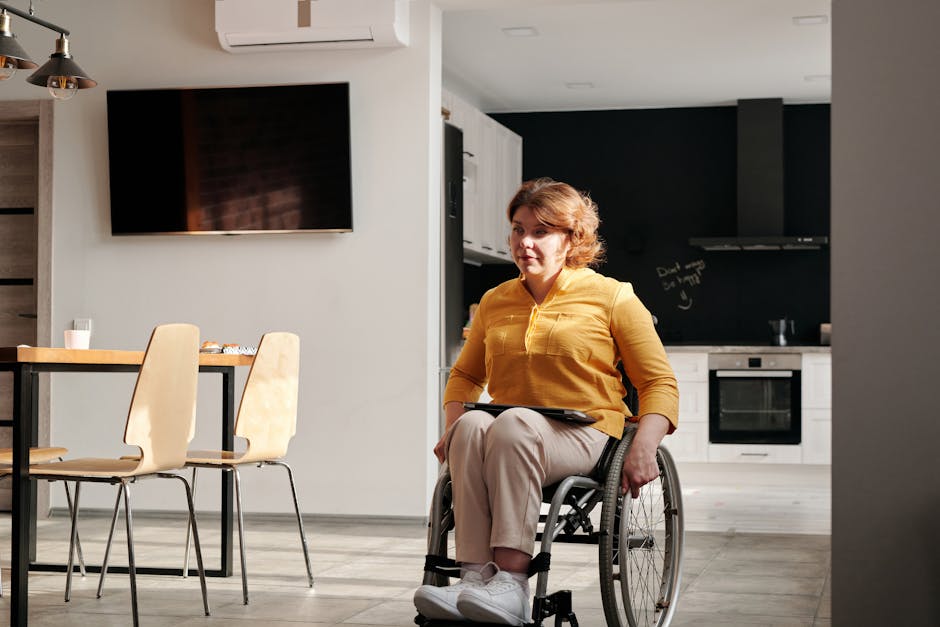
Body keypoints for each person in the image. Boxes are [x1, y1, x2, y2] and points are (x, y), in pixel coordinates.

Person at [414, 178, 679, 626]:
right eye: (518, 230)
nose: (525, 242)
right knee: (473, 426)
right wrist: (451, 426)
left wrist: (645, 444)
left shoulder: (612, 296)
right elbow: (465, 375)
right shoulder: (494, 302)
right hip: (506, 433)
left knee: (511, 423)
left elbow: (658, 381)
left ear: (572, 239)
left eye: (540, 232)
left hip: (584, 435)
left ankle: (512, 584)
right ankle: (475, 578)